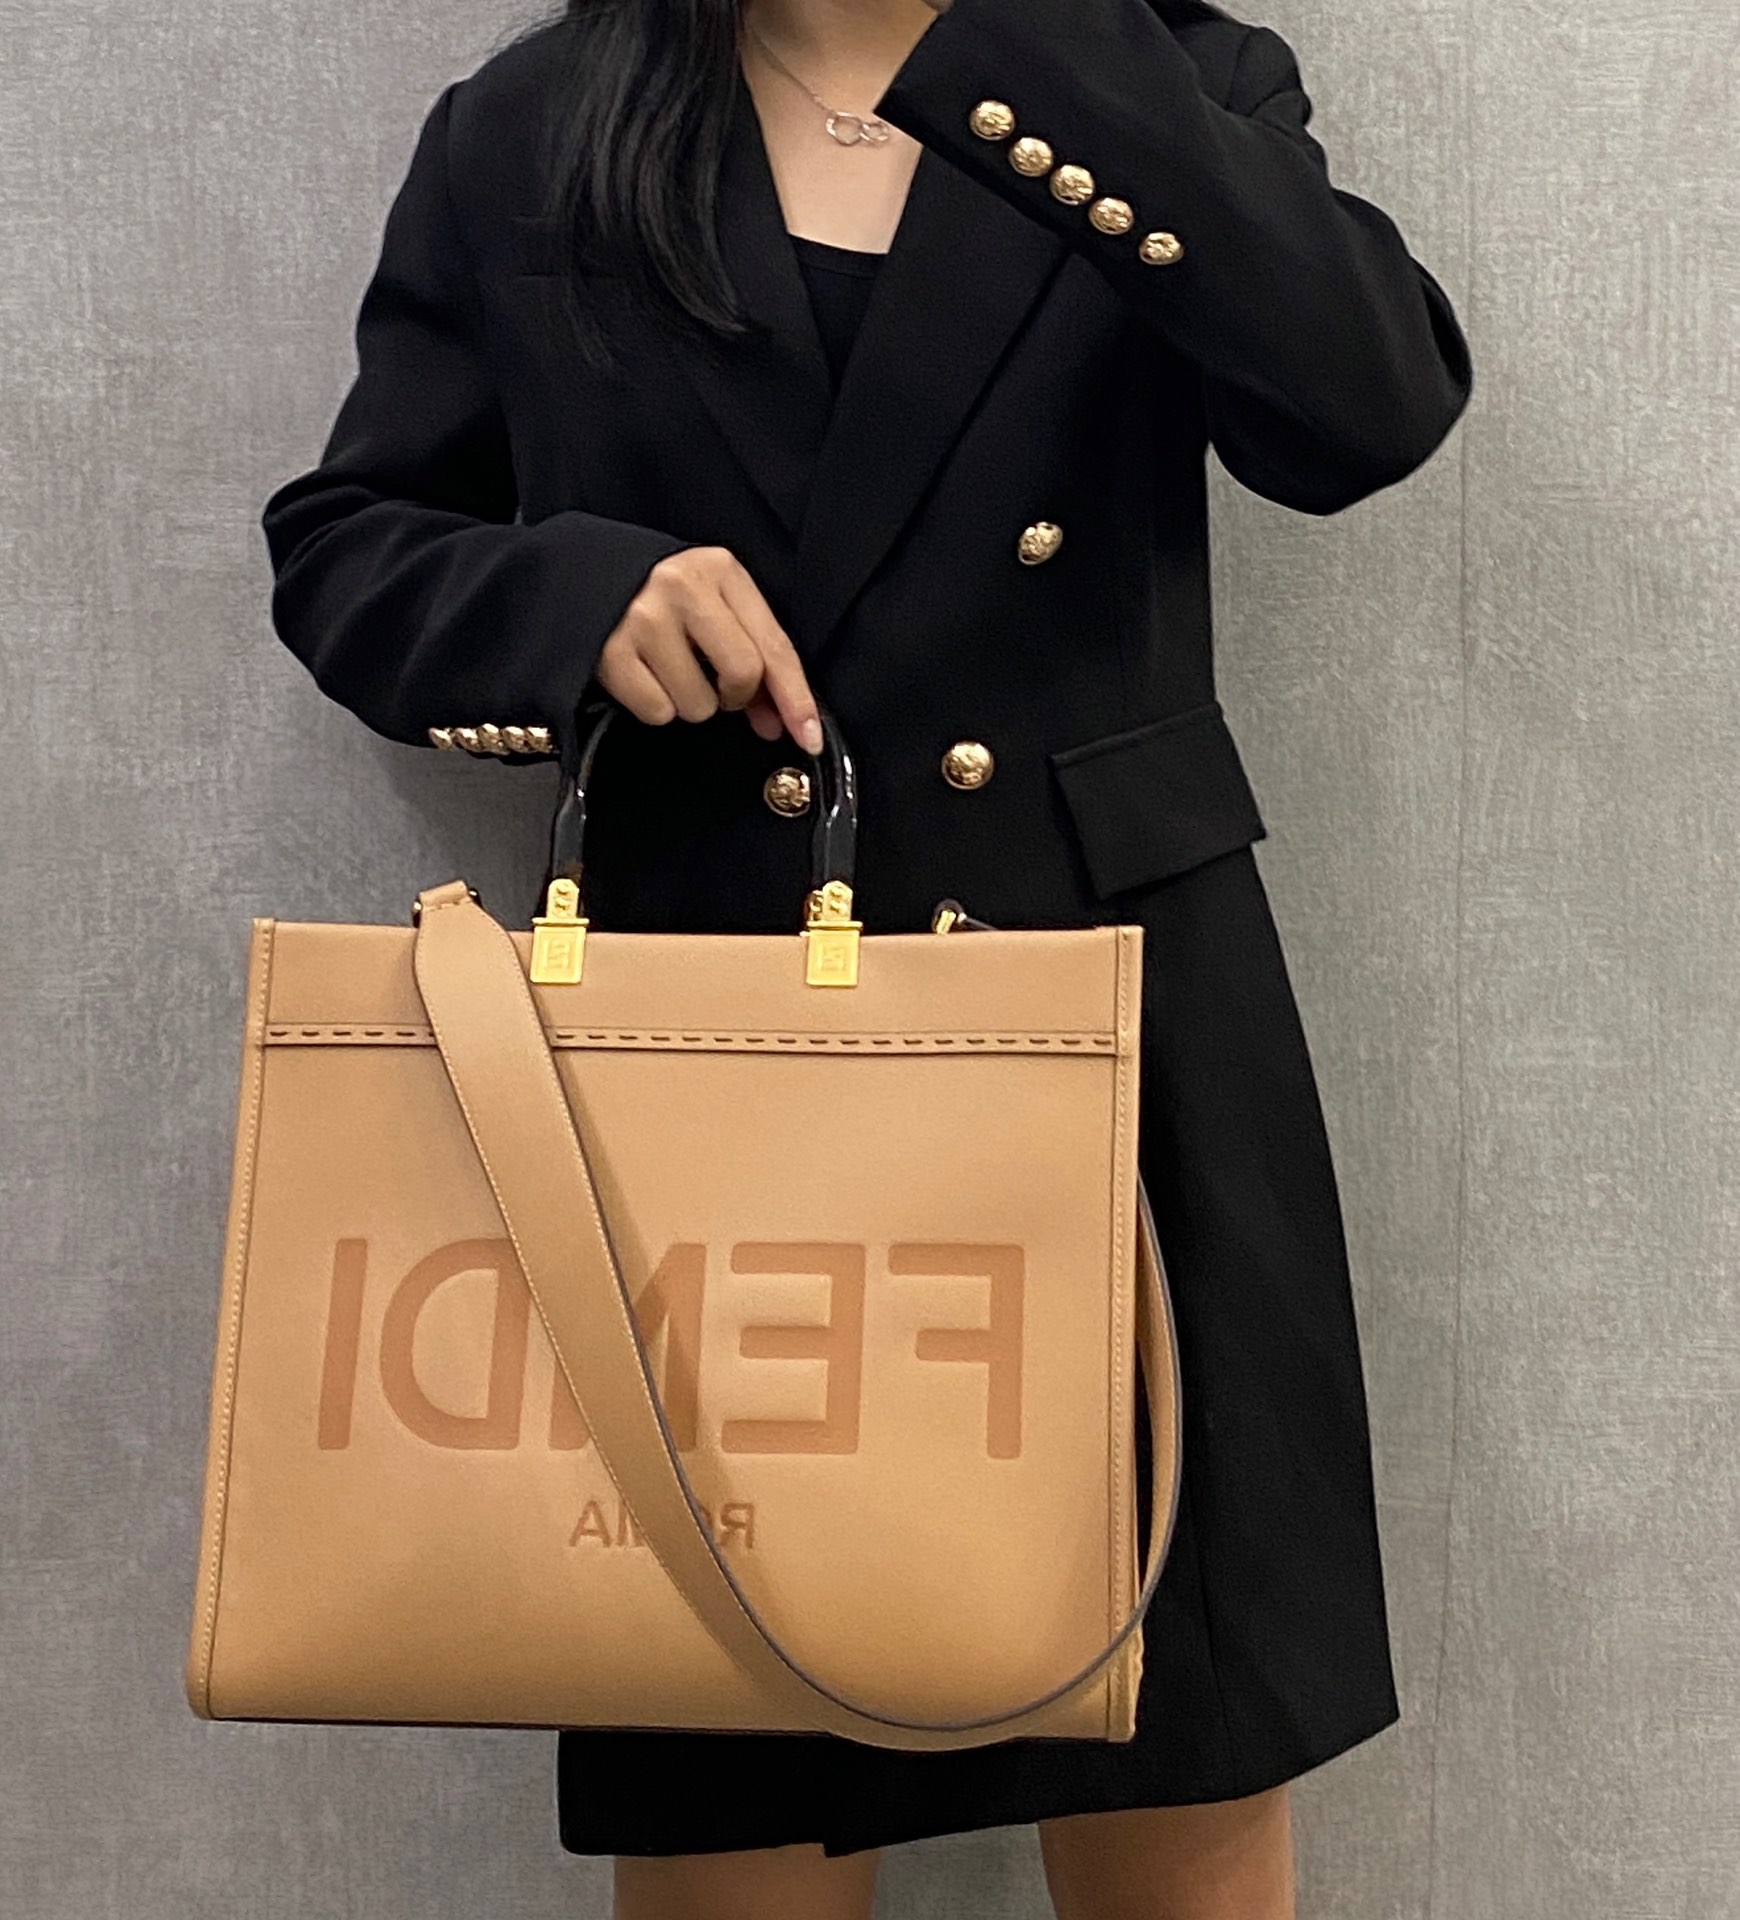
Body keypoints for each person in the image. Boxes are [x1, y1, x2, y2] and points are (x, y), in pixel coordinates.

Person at [260, 0, 1473, 1912]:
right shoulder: (538, 123)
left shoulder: (1160, 74)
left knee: (1178, 1756)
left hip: (1120, 1050)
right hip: (713, 1085)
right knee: (736, 1784)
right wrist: (577, 601)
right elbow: (348, 545)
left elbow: (1369, 410)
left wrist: (1051, 51)